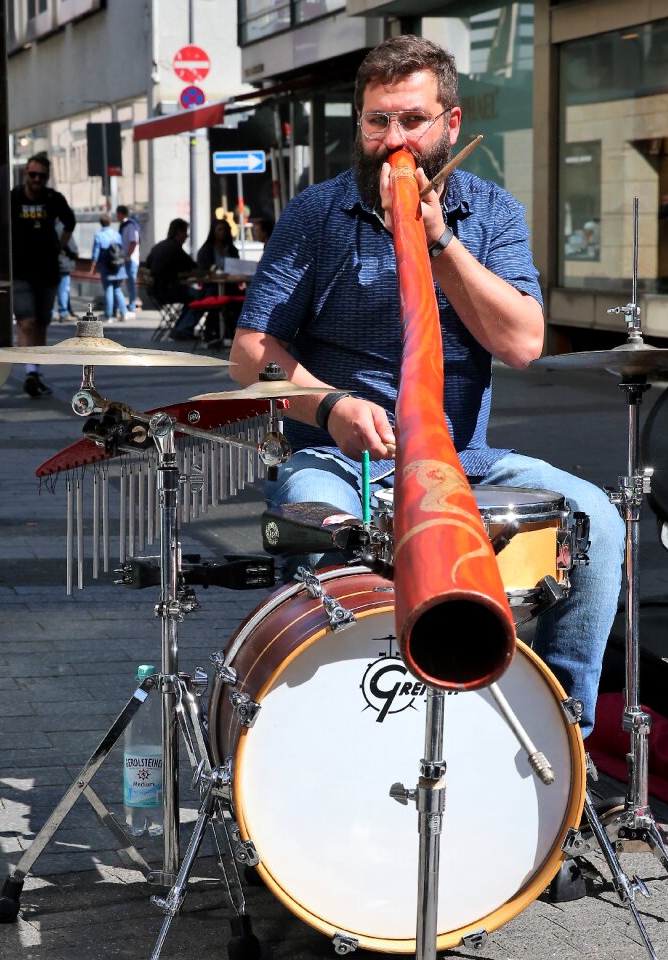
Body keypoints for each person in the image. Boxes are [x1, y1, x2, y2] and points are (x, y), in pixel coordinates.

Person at [229, 35, 624, 740]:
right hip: (339, 460)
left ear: (451, 124)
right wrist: (328, 404)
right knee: (319, 529)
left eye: (412, 119)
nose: (394, 139)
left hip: (462, 456)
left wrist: (441, 243)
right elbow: (249, 358)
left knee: (597, 518)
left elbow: (523, 343)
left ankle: (562, 740)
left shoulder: (491, 212)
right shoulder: (315, 215)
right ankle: (327, 732)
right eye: (377, 121)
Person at [10, 152, 76, 397]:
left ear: (47, 177)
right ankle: (29, 371)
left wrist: (60, 245)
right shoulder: (14, 198)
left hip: (48, 271)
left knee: (41, 323)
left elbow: (70, 222)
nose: (37, 179)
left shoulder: (53, 198)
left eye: (42, 176)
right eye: (33, 174)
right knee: (26, 322)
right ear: (26, 174)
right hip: (20, 271)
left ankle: (35, 370)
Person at [145, 218, 200, 340]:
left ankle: (180, 327)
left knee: (193, 297)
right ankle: (183, 328)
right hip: (169, 290)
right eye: (185, 232)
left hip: (155, 291)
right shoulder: (175, 249)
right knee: (199, 297)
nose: (187, 236)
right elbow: (192, 266)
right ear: (178, 232)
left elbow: (148, 265)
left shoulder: (159, 246)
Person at [196, 217, 241, 343]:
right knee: (215, 299)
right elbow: (203, 272)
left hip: (231, 286)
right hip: (211, 287)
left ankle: (231, 333)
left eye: (225, 230)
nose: (223, 233)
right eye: (220, 230)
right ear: (214, 231)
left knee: (239, 300)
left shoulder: (232, 250)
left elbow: (238, 266)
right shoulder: (206, 250)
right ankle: (213, 333)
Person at [89, 214, 128, 322]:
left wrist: (93, 267)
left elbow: (95, 253)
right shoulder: (116, 234)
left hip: (106, 266)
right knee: (118, 289)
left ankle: (108, 315)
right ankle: (124, 313)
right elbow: (122, 250)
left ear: (100, 223)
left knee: (108, 290)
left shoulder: (99, 235)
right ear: (110, 222)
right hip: (119, 266)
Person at [115, 204, 139, 319]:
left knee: (131, 283)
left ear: (121, 214)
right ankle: (128, 305)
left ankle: (132, 306)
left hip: (131, 259)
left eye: (117, 214)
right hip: (126, 257)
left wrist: (128, 256)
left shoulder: (130, 225)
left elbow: (133, 241)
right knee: (127, 282)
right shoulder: (124, 225)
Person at [54, 219, 79, 322]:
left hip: (52, 263)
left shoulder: (49, 226)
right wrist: (76, 253)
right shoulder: (63, 228)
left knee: (53, 289)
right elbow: (71, 246)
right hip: (63, 262)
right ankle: (64, 312)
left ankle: (52, 313)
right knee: (64, 289)